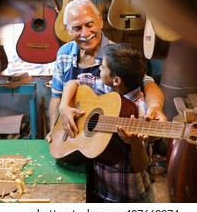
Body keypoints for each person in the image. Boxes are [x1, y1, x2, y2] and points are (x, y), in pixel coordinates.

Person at [48, 0, 166, 136]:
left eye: (89, 24)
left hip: (106, 142)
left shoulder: (115, 55)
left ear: (99, 20)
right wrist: (54, 131)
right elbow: (56, 96)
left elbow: (147, 83)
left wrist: (155, 107)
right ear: (68, 30)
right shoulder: (63, 54)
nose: (85, 33)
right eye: (77, 28)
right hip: (76, 138)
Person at [57, 42, 154, 202]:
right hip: (99, 190)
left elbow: (140, 167)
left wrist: (136, 144)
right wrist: (64, 106)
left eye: (102, 67)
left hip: (128, 199)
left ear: (116, 80)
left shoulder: (140, 111)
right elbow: (73, 82)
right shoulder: (107, 89)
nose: (98, 69)